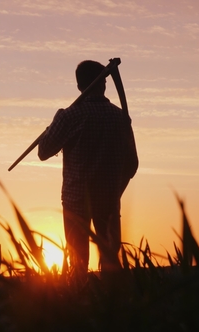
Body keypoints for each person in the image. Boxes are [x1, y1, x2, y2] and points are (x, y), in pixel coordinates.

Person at [37, 60, 138, 275]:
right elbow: (132, 164)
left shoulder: (69, 116)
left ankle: (79, 305)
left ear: (79, 87)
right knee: (111, 263)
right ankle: (112, 305)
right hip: (109, 201)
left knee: (78, 264)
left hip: (76, 202)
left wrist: (55, 121)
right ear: (103, 84)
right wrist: (115, 191)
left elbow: (43, 151)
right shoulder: (120, 118)